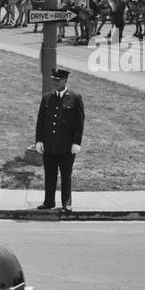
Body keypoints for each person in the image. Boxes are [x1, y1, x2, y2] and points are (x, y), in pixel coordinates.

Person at [34, 68, 85, 214]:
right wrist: (39, 140)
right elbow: (41, 121)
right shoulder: (47, 98)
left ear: (65, 81)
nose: (55, 83)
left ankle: (66, 202)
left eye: (57, 80)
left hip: (66, 147)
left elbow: (79, 122)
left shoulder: (75, 98)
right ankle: (49, 201)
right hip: (49, 145)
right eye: (53, 80)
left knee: (66, 175)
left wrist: (77, 142)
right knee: (49, 174)